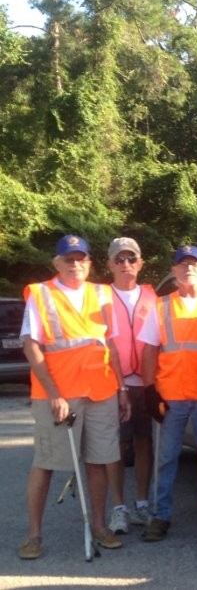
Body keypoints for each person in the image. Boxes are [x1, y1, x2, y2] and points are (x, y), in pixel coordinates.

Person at [18, 235, 129, 559]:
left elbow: (110, 345)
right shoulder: (41, 294)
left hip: (101, 391)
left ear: (90, 262)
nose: (76, 263)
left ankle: (98, 526)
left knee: (99, 462)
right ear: (57, 263)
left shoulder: (102, 293)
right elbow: (31, 346)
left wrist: (122, 390)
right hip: (58, 395)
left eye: (81, 258)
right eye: (69, 259)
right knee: (46, 463)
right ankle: (33, 535)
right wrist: (54, 393)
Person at [139, 245, 197, 543]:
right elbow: (149, 350)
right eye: (182, 264)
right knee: (165, 459)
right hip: (169, 396)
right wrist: (150, 389)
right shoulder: (160, 307)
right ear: (174, 272)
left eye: (194, 264)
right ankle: (159, 516)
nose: (188, 268)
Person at [105, 237, 158, 534]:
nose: (126, 264)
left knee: (143, 443)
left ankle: (141, 503)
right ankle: (118, 508)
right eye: (119, 259)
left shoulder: (152, 296)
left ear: (140, 263)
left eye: (131, 259)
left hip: (147, 382)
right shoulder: (100, 296)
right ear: (110, 264)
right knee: (116, 446)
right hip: (114, 384)